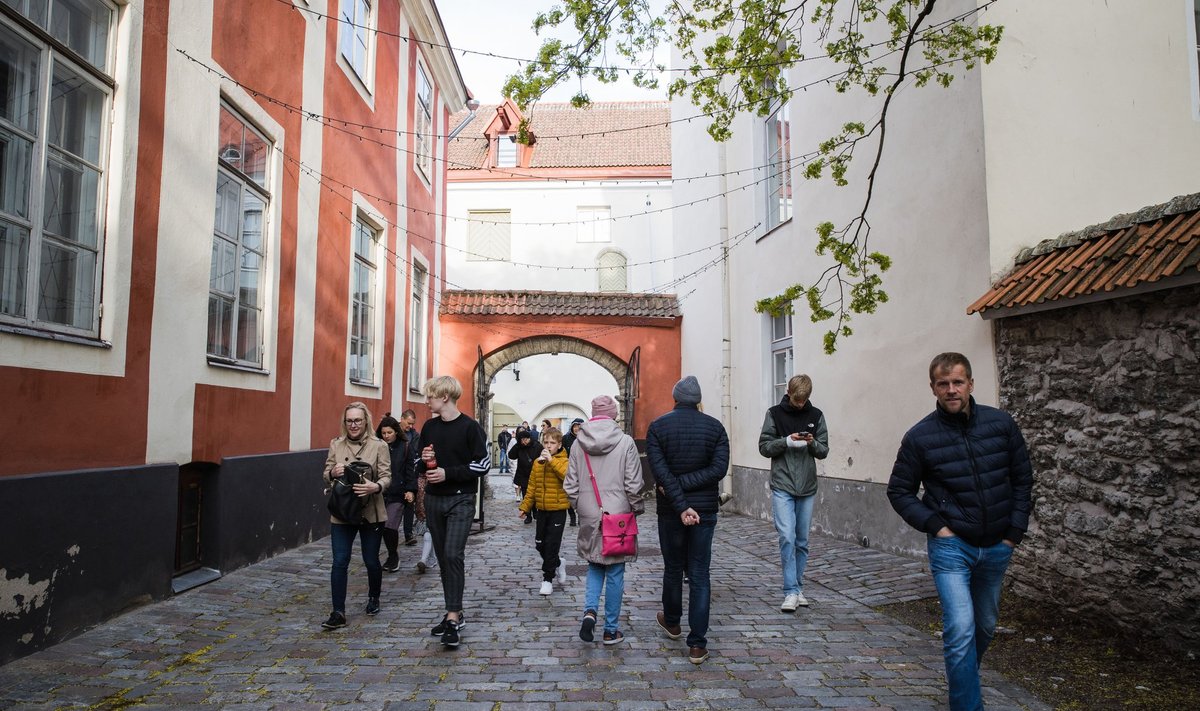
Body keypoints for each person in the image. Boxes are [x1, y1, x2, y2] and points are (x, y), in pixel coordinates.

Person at [887, 352, 1033, 711]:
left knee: (984, 626)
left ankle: (964, 676)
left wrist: (1014, 531)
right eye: (943, 384)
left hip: (998, 545)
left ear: (970, 383)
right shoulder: (920, 437)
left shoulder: (1001, 424)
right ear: (933, 387)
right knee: (961, 629)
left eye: (957, 382)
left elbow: (1022, 479)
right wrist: (937, 527)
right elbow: (899, 491)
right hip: (953, 548)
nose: (951, 390)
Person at [646, 375, 730, 664]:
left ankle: (671, 621)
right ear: (698, 401)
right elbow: (718, 469)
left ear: (675, 398)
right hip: (705, 510)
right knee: (699, 574)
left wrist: (679, 499)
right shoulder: (715, 427)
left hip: (671, 511)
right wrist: (690, 500)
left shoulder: (658, 427)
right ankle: (697, 644)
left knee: (673, 567)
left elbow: (661, 473)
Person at [564, 395, 643, 646]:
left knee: (594, 565)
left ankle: (589, 612)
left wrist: (581, 506)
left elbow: (570, 484)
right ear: (614, 414)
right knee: (616, 569)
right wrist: (636, 508)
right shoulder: (626, 441)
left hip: (589, 511)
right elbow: (633, 483)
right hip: (618, 513)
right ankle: (610, 630)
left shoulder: (578, 443)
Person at [418, 376, 491, 648]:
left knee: (452, 554)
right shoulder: (429, 427)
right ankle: (454, 611)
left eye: (431, 396)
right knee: (443, 557)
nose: (427, 401)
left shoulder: (470, 427)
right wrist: (424, 462)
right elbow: (417, 461)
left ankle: (452, 617)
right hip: (435, 500)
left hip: (461, 500)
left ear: (445, 397)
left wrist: (448, 473)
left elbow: (483, 465)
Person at [758, 374, 829, 612]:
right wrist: (786, 441)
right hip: (782, 484)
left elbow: (824, 450)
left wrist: (811, 443)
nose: (800, 404)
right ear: (788, 392)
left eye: (804, 400)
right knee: (786, 537)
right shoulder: (774, 414)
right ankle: (790, 591)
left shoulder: (816, 415)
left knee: (802, 540)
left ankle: (798, 588)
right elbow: (764, 447)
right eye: (797, 399)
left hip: (807, 486)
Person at [321, 401, 391, 630]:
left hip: (370, 511)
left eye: (358, 420)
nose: (353, 425)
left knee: (371, 560)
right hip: (342, 512)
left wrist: (375, 487)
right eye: (349, 421)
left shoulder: (379, 445)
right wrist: (332, 472)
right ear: (345, 422)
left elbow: (387, 476)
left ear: (366, 422)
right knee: (340, 561)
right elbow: (325, 473)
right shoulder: (336, 444)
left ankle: (374, 597)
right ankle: (338, 612)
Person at [518, 427, 571, 595]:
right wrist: (525, 507)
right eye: (546, 442)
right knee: (540, 544)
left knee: (552, 545)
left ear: (559, 444)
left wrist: (551, 461)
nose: (548, 446)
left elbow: (567, 477)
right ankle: (558, 563)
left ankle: (547, 579)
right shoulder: (537, 463)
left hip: (558, 509)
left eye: (552, 443)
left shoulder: (564, 461)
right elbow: (532, 488)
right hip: (541, 510)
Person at [375, 415, 406, 573]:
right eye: (383, 433)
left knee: (390, 526)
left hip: (397, 493)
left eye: (389, 432)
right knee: (378, 528)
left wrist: (410, 490)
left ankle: (393, 556)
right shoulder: (376, 446)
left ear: (396, 432)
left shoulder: (404, 446)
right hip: (378, 492)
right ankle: (382, 557)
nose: (386, 436)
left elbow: (409, 470)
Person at [508, 428, 542, 525]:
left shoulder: (537, 446)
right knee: (525, 495)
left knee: (534, 495)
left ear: (529, 438)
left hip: (535, 474)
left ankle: (535, 511)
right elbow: (511, 455)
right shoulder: (519, 447)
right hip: (523, 474)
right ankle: (528, 515)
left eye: (526, 439)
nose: (524, 441)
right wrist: (517, 445)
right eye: (522, 440)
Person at [398, 410, 421, 545]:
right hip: (395, 474)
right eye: (408, 423)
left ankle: (408, 534)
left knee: (409, 505)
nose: (410, 426)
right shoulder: (391, 432)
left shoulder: (414, 436)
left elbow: (415, 454)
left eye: (412, 424)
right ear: (402, 419)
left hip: (409, 474)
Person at [561, 418, 585, 527]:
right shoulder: (566, 438)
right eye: (575, 426)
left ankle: (581, 516)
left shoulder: (586, 439)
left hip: (583, 471)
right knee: (570, 494)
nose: (576, 429)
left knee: (582, 495)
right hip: (569, 470)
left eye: (579, 426)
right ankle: (572, 517)